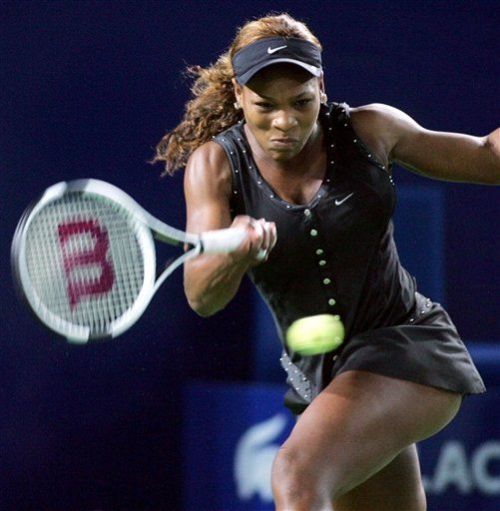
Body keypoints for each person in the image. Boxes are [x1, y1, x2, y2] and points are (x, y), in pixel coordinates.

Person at [152, 13, 500, 511]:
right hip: (325, 379)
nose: (285, 121)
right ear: (238, 96)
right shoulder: (215, 165)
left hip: (408, 349)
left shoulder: (371, 129)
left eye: (301, 102)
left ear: (321, 86)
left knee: (295, 477)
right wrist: (233, 251)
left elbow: (488, 156)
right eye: (265, 106)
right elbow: (201, 295)